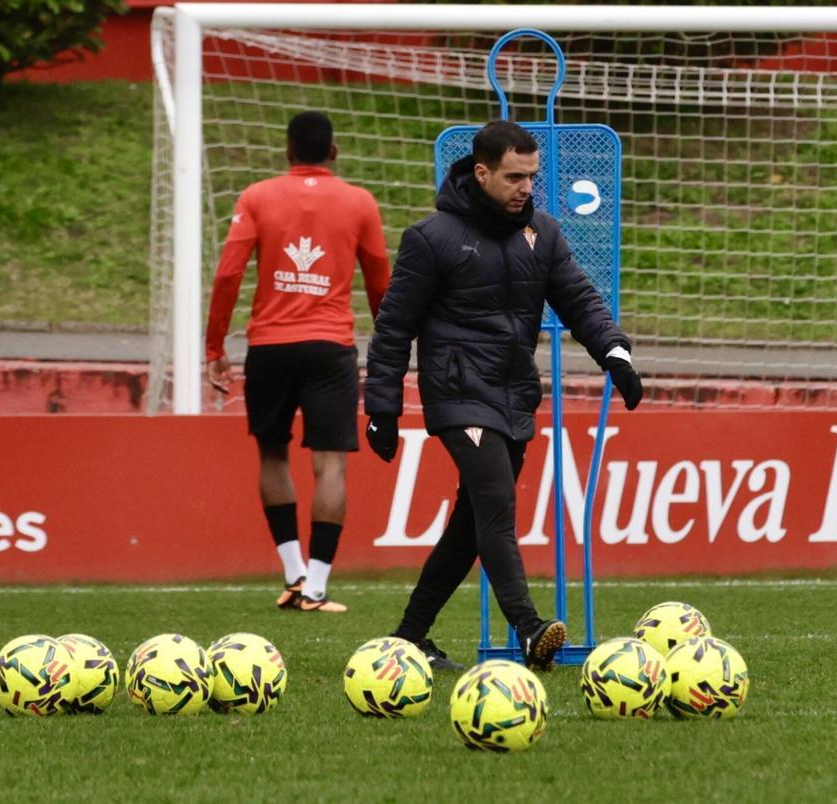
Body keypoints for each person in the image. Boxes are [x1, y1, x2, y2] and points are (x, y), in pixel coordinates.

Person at [363, 120, 643, 671]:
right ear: (482, 171)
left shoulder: (544, 232)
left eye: (532, 177)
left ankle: (410, 636)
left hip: (514, 395)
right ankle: (529, 627)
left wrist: (614, 351)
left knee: (471, 523)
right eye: (514, 177)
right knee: (495, 501)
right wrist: (382, 408)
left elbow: (578, 298)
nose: (525, 188)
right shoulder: (432, 238)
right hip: (457, 391)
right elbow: (393, 328)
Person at [205, 111, 390, 613]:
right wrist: (391, 345)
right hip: (329, 347)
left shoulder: (256, 197)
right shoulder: (359, 202)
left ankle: (293, 574)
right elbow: (379, 281)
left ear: (287, 152)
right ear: (333, 152)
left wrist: (214, 347)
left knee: (272, 454)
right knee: (330, 464)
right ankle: (316, 588)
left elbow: (227, 275)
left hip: (269, 346)